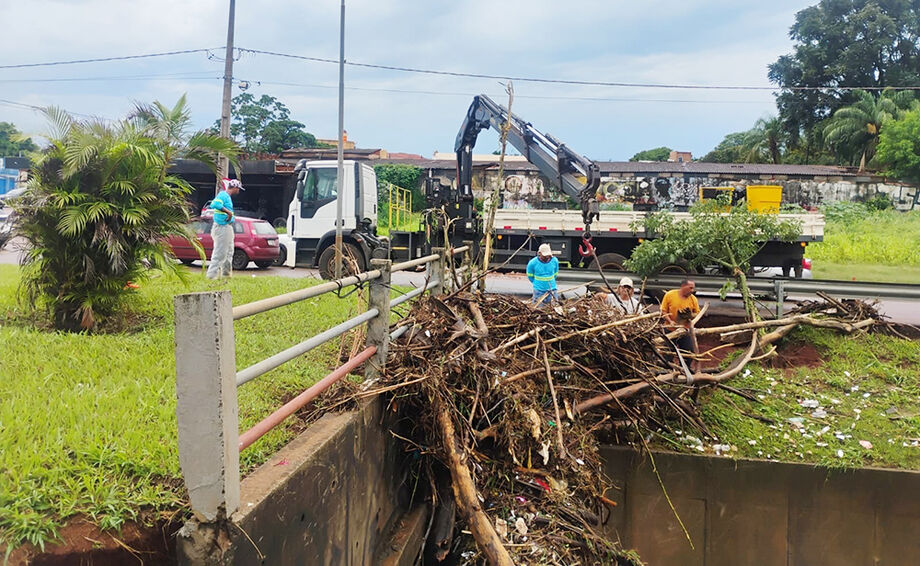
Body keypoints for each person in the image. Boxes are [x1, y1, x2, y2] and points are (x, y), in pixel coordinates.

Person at [206, 178, 244, 279]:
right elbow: (214, 204)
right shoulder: (223, 195)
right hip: (221, 227)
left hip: (227, 227)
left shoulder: (227, 197)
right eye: (238, 188)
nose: (239, 191)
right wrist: (228, 212)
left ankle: (226, 275)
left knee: (229, 252)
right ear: (234, 187)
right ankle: (211, 276)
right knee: (220, 253)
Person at [660, 278, 701, 365]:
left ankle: (686, 369)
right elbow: (663, 311)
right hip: (670, 329)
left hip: (685, 331)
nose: (692, 290)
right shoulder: (670, 295)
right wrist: (670, 321)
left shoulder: (693, 299)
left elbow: (697, 313)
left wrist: (689, 316)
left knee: (688, 352)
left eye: (693, 288)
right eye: (690, 288)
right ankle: (667, 370)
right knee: (667, 353)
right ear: (683, 286)